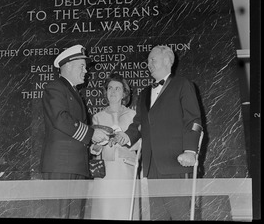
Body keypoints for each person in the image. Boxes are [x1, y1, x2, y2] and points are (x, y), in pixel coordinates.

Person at [114, 45, 203, 221]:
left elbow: (194, 121)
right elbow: (139, 122)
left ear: (167, 61)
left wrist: (191, 151)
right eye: (147, 61)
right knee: (157, 216)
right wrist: (127, 137)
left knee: (181, 215)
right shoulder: (145, 92)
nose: (149, 64)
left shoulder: (183, 85)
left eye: (152, 60)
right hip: (152, 165)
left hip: (176, 162)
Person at [40, 44, 110, 219]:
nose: (86, 71)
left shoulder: (73, 91)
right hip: (61, 165)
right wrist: (91, 134)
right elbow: (60, 119)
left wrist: (92, 144)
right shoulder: (55, 87)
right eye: (82, 66)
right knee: (60, 214)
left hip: (75, 164)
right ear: (68, 66)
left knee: (73, 215)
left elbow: (74, 129)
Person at [89, 72, 141, 220]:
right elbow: (93, 148)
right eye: (110, 88)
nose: (113, 91)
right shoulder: (98, 117)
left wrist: (126, 140)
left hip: (126, 169)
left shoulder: (133, 115)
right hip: (105, 171)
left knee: (125, 211)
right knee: (105, 211)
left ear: (124, 92)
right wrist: (98, 145)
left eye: (117, 88)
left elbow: (140, 143)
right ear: (105, 92)